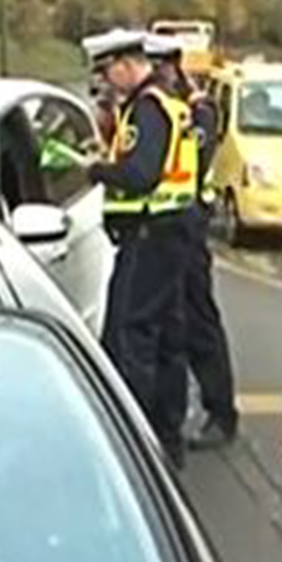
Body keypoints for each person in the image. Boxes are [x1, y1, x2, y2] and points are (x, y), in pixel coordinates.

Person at [81, 28, 200, 468]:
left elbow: (142, 174)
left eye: (110, 71)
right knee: (167, 332)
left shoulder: (147, 109)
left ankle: (136, 445)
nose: (108, 82)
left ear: (129, 63)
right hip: (171, 230)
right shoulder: (166, 103)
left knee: (133, 333)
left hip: (152, 231)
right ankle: (167, 437)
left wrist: (98, 171)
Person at [145, 33, 239, 448]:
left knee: (197, 322)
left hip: (187, 229)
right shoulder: (154, 108)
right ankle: (167, 415)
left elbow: (190, 163)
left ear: (167, 67)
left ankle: (220, 412)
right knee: (165, 325)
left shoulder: (196, 110)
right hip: (157, 229)